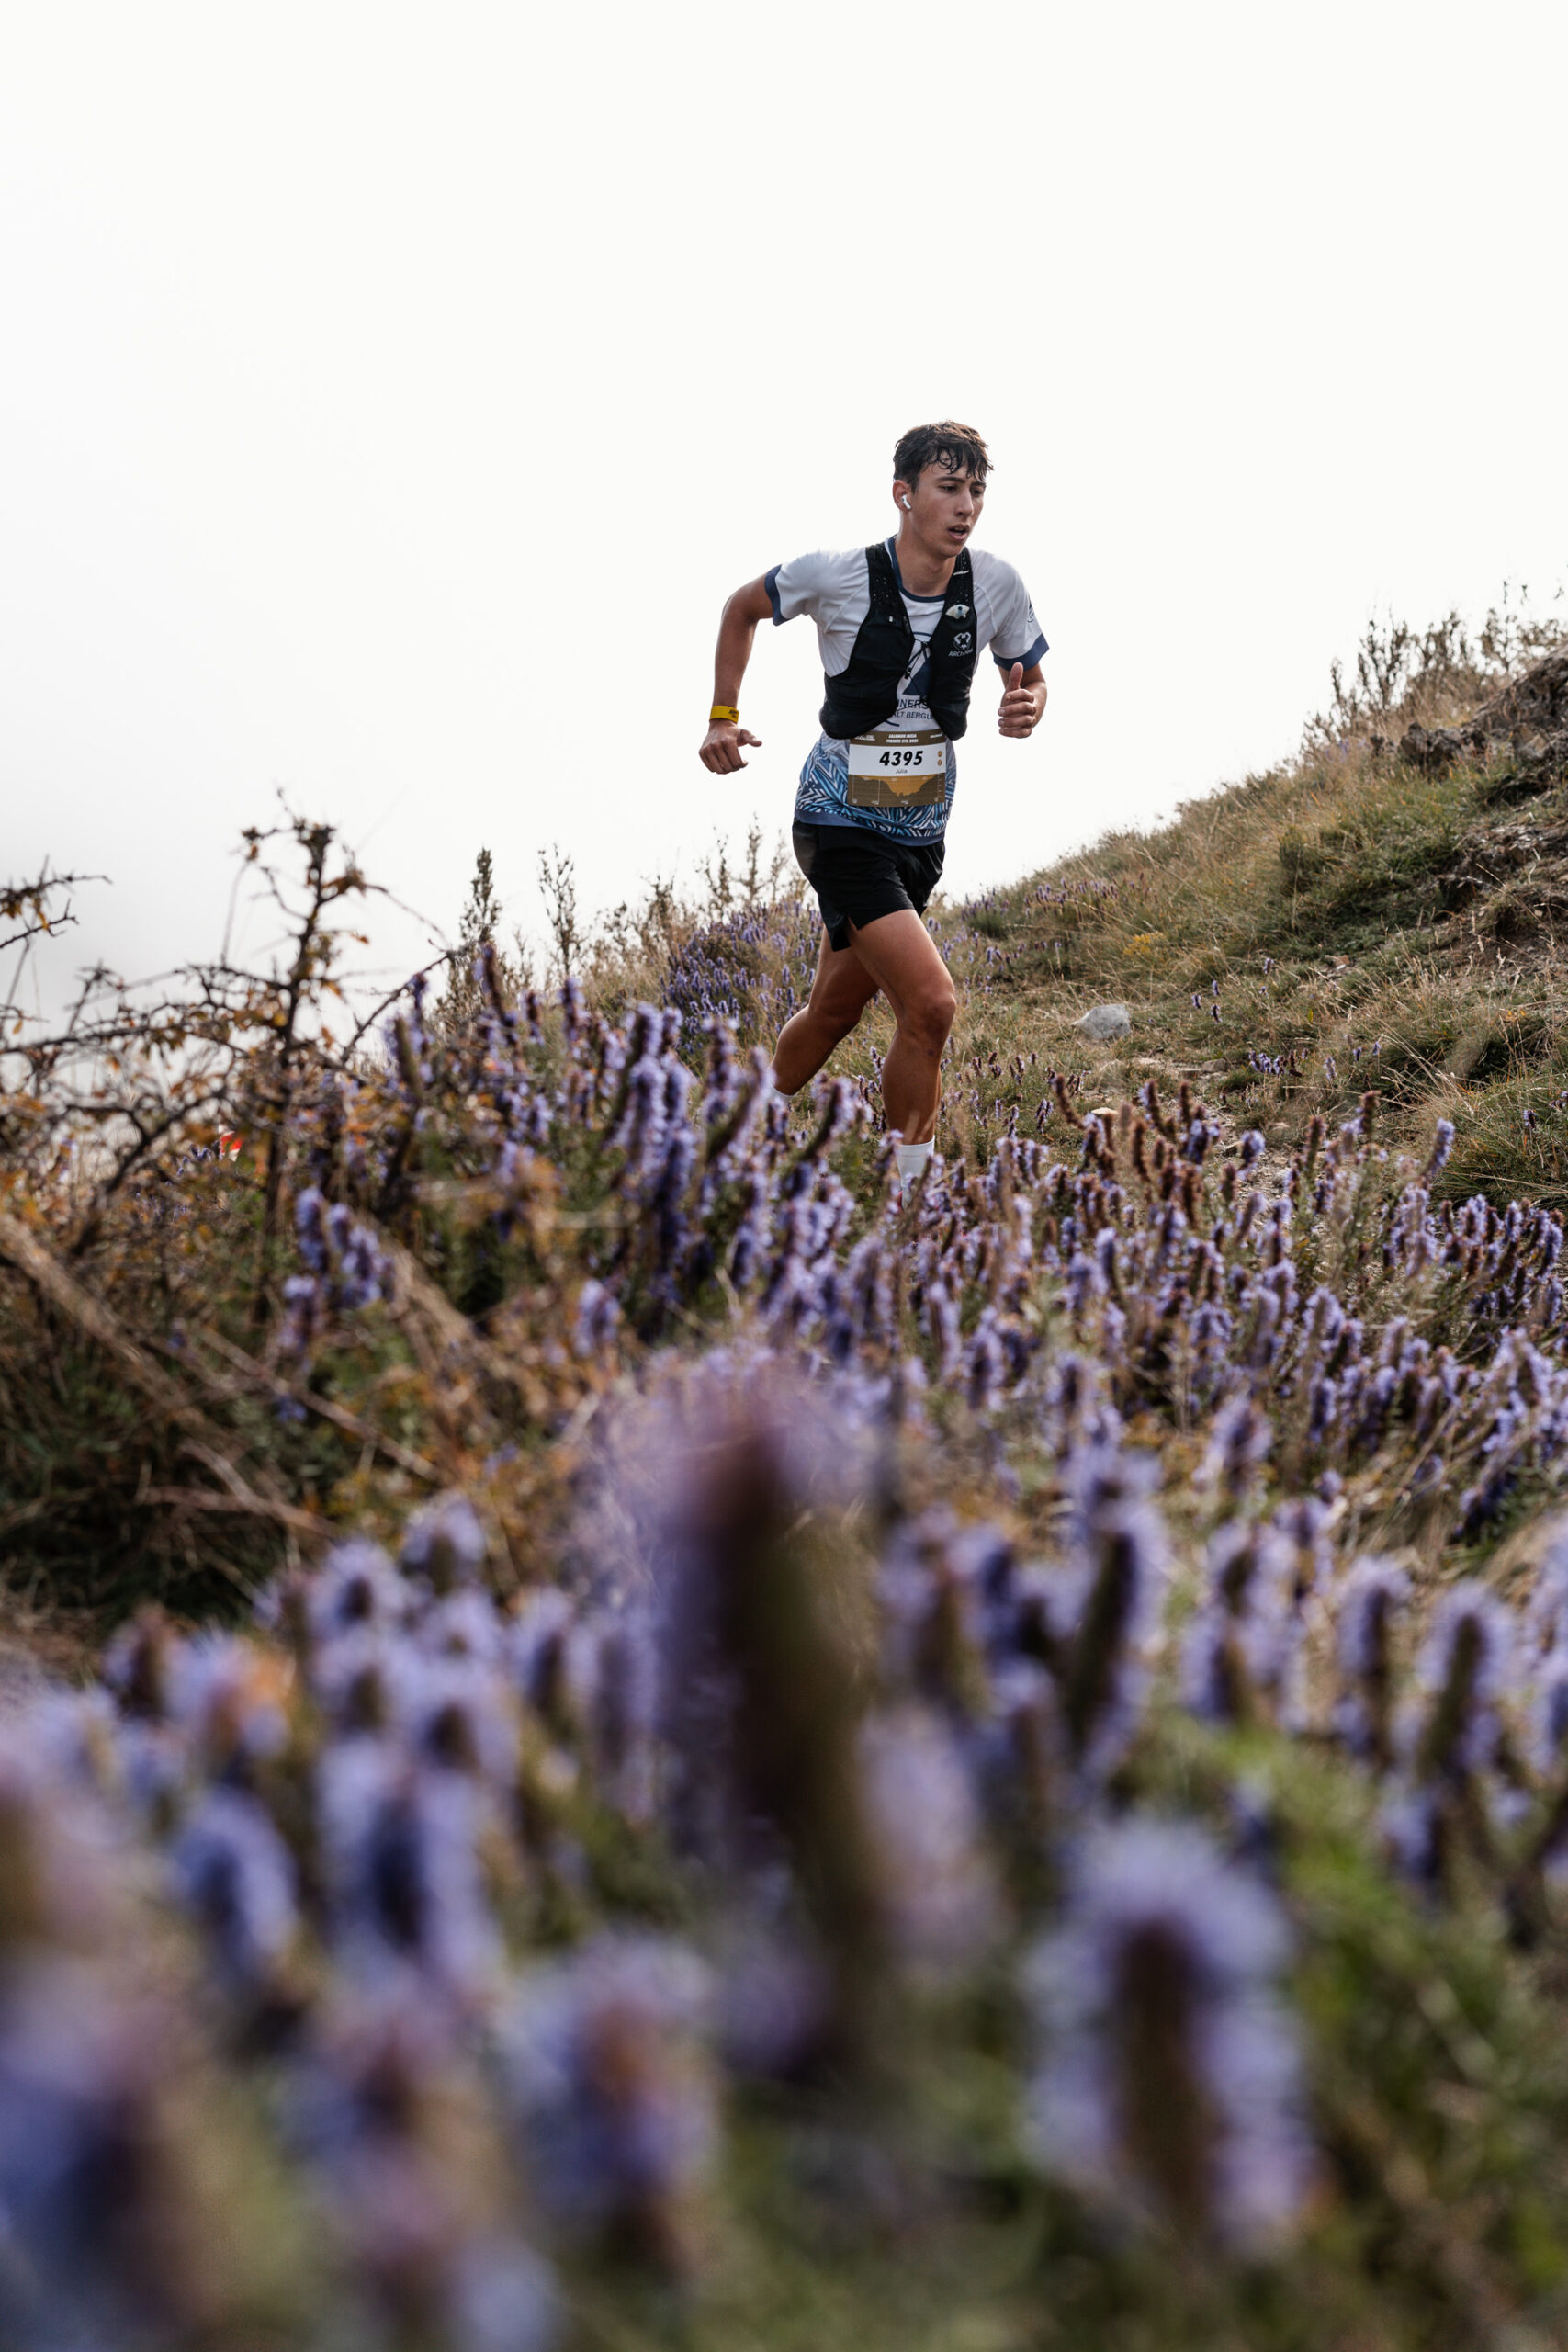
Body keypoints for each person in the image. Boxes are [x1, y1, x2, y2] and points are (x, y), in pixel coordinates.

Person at [698, 420, 1046, 1196]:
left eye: (976, 491)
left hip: (920, 833)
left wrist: (1029, 703)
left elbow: (1026, 670)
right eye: (948, 488)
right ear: (904, 494)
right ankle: (907, 1196)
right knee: (930, 1004)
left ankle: (723, 1129)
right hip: (837, 819)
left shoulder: (994, 583)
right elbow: (739, 607)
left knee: (831, 1012)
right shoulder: (836, 575)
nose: (965, 506)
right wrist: (722, 716)